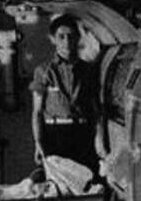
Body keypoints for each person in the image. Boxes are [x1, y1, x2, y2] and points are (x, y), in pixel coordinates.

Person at [30, 14, 105, 176]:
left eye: (71, 36)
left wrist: (99, 138)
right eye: (61, 37)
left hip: (82, 132)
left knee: (87, 181)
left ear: (78, 37)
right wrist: (38, 142)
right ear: (53, 39)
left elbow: (96, 108)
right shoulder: (44, 71)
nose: (66, 42)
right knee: (59, 184)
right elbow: (37, 112)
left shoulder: (87, 70)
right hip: (55, 134)